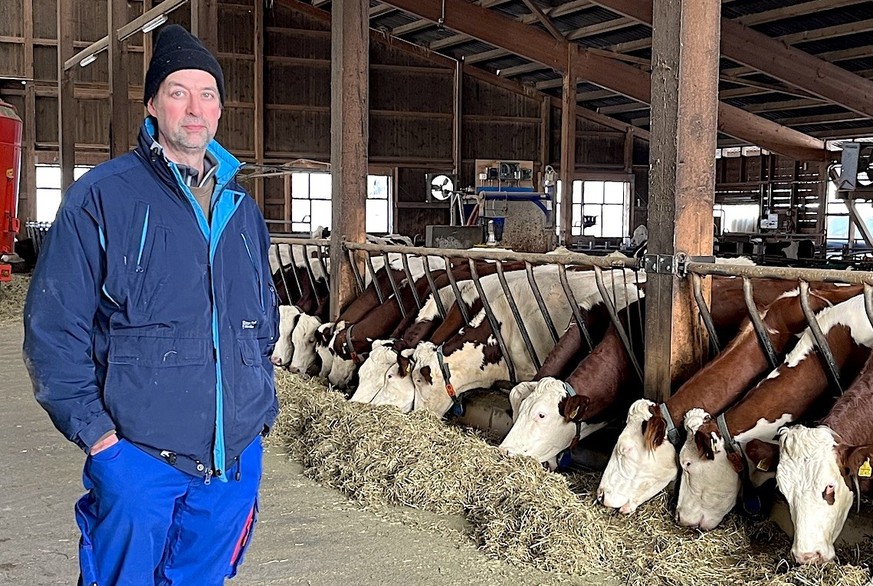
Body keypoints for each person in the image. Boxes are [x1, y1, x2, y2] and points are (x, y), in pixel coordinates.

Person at [23, 24, 278, 585]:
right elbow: (53, 329)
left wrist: (258, 414)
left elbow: (263, 325)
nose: (195, 108)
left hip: (231, 464)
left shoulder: (243, 211)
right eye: (178, 92)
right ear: (153, 105)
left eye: (207, 93)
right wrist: (99, 439)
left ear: (219, 110)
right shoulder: (104, 196)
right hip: (138, 461)